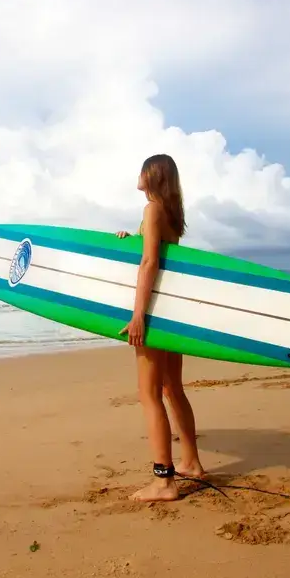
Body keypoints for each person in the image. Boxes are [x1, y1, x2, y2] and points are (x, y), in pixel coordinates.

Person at [116, 154, 205, 502]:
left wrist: (138, 316)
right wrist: (129, 239)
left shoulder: (151, 210)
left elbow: (150, 262)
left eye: (141, 170)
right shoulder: (169, 214)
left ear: (152, 176)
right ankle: (192, 462)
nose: (136, 175)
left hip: (152, 312)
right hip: (172, 313)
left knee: (149, 395)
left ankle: (164, 480)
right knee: (172, 389)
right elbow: (156, 253)